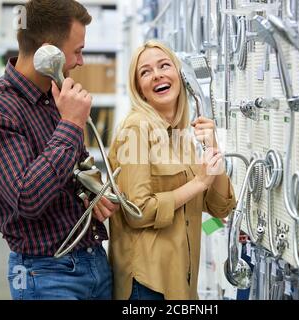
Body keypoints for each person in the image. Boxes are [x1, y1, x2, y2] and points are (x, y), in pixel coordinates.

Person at [0, 0, 118, 300]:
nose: (81, 62)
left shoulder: (55, 96)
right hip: (46, 275)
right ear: (50, 53)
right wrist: (71, 123)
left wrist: (92, 194)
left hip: (94, 262)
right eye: (78, 51)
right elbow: (28, 197)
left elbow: (73, 169)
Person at [108, 40, 237, 300]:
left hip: (182, 285)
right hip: (147, 285)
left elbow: (220, 207)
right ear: (140, 89)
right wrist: (199, 182)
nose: (157, 75)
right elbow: (137, 211)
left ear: (178, 75)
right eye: (145, 72)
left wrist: (213, 146)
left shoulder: (179, 137)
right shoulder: (136, 129)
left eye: (164, 65)